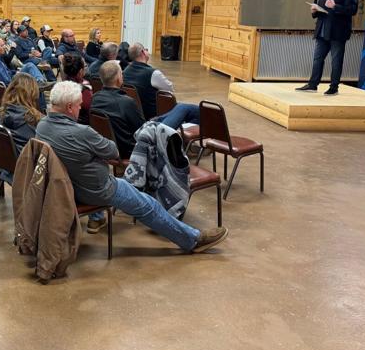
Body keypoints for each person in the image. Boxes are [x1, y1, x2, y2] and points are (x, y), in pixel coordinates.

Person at [36, 81, 228, 251]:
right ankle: (192, 240)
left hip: (66, 186)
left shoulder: (42, 126)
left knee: (139, 193)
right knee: (149, 206)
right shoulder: (82, 132)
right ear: (69, 107)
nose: (80, 110)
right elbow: (113, 151)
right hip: (97, 189)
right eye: (79, 106)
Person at [296, 0, 359, 96]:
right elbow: (322, 10)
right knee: (317, 59)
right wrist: (314, 11)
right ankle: (313, 85)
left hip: (337, 32)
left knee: (336, 61)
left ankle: (334, 87)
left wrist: (335, 6)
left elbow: (352, 10)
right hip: (322, 30)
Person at [122, 43, 200, 127]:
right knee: (193, 110)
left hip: (137, 113)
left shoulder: (125, 72)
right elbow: (170, 89)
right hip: (156, 116)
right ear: (143, 52)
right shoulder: (152, 73)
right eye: (146, 49)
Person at [90, 61, 145, 158]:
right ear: (118, 78)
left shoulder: (94, 98)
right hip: (128, 151)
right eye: (121, 73)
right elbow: (141, 130)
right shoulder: (127, 102)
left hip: (105, 146)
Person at [0, 36, 49, 104]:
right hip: (4, 91)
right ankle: (41, 109)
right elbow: (7, 81)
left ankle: (40, 82)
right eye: (2, 45)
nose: (5, 47)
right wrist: (21, 77)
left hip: (8, 84)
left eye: (4, 44)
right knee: (33, 86)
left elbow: (6, 72)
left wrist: (16, 72)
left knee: (29, 66)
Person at [0, 73, 42, 153]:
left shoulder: (0, 114)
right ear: (33, 93)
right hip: (28, 162)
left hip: (6, 161)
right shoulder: (35, 119)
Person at [60, 53, 92, 124]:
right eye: (85, 66)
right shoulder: (84, 92)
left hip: (64, 124)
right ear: (80, 72)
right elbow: (90, 112)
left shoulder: (60, 87)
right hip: (82, 127)